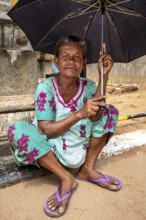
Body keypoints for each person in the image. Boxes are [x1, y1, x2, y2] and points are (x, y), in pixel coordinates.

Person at [7, 35, 122, 218]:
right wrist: (78, 114)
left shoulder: (89, 86)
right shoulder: (46, 88)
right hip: (50, 149)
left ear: (83, 63)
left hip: (78, 146)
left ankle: (87, 169)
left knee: (110, 111)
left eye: (77, 57)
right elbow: (46, 130)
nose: (71, 61)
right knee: (16, 129)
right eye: (65, 57)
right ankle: (66, 177)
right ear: (56, 61)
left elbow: (97, 118)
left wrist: (104, 75)